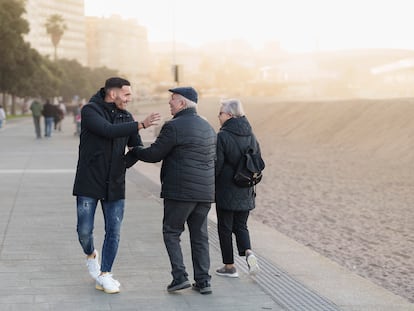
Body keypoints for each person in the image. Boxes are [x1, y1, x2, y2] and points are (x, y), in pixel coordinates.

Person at [72, 77, 161, 294]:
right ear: (113, 94)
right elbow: (107, 130)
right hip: (89, 181)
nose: (130, 99)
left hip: (115, 184)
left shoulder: (126, 117)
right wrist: (141, 124)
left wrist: (123, 165)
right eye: (127, 94)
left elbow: (136, 147)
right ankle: (91, 254)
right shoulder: (90, 111)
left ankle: (105, 274)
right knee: (84, 231)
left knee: (114, 230)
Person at [128, 87, 216, 295]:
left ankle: (180, 277)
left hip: (180, 191)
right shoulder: (208, 127)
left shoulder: (173, 126)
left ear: (183, 104)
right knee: (199, 236)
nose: (169, 103)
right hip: (205, 192)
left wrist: (135, 150)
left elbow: (155, 154)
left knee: (171, 232)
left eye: (173, 100)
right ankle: (203, 281)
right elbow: (216, 159)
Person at [214, 99, 261, 278]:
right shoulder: (251, 134)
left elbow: (216, 165)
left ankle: (229, 266)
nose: (218, 117)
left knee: (225, 228)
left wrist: (211, 184)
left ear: (230, 115)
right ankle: (249, 253)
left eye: (220, 113)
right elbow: (257, 160)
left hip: (226, 188)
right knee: (241, 225)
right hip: (246, 187)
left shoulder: (223, 136)